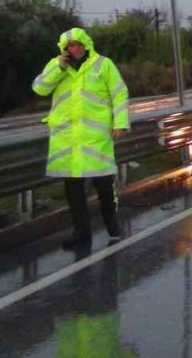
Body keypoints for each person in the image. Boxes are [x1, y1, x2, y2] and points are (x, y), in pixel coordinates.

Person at [31, 27, 130, 249]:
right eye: (68, 46)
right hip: (68, 141)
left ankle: (111, 222)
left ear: (85, 45)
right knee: (73, 191)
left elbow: (119, 93)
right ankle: (81, 233)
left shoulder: (103, 65)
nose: (73, 49)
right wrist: (59, 67)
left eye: (76, 45)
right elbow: (39, 89)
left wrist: (121, 123)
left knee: (104, 186)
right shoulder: (57, 65)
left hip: (96, 139)